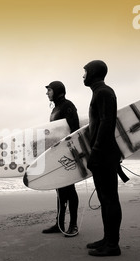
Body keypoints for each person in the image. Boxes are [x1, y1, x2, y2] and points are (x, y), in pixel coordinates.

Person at [83, 60, 123, 256]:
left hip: (104, 153)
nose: (83, 76)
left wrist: (96, 151)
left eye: (85, 72)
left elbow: (107, 123)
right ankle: (108, 239)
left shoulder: (104, 92)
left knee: (109, 199)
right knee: (104, 198)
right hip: (104, 153)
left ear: (93, 73)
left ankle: (113, 245)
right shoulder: (100, 92)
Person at [42, 81, 80, 237]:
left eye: (49, 90)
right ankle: (59, 223)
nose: (47, 93)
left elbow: (75, 129)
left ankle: (74, 225)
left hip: (68, 154)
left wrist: (72, 153)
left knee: (69, 189)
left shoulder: (67, 106)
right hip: (58, 154)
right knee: (59, 188)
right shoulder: (56, 109)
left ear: (57, 91)